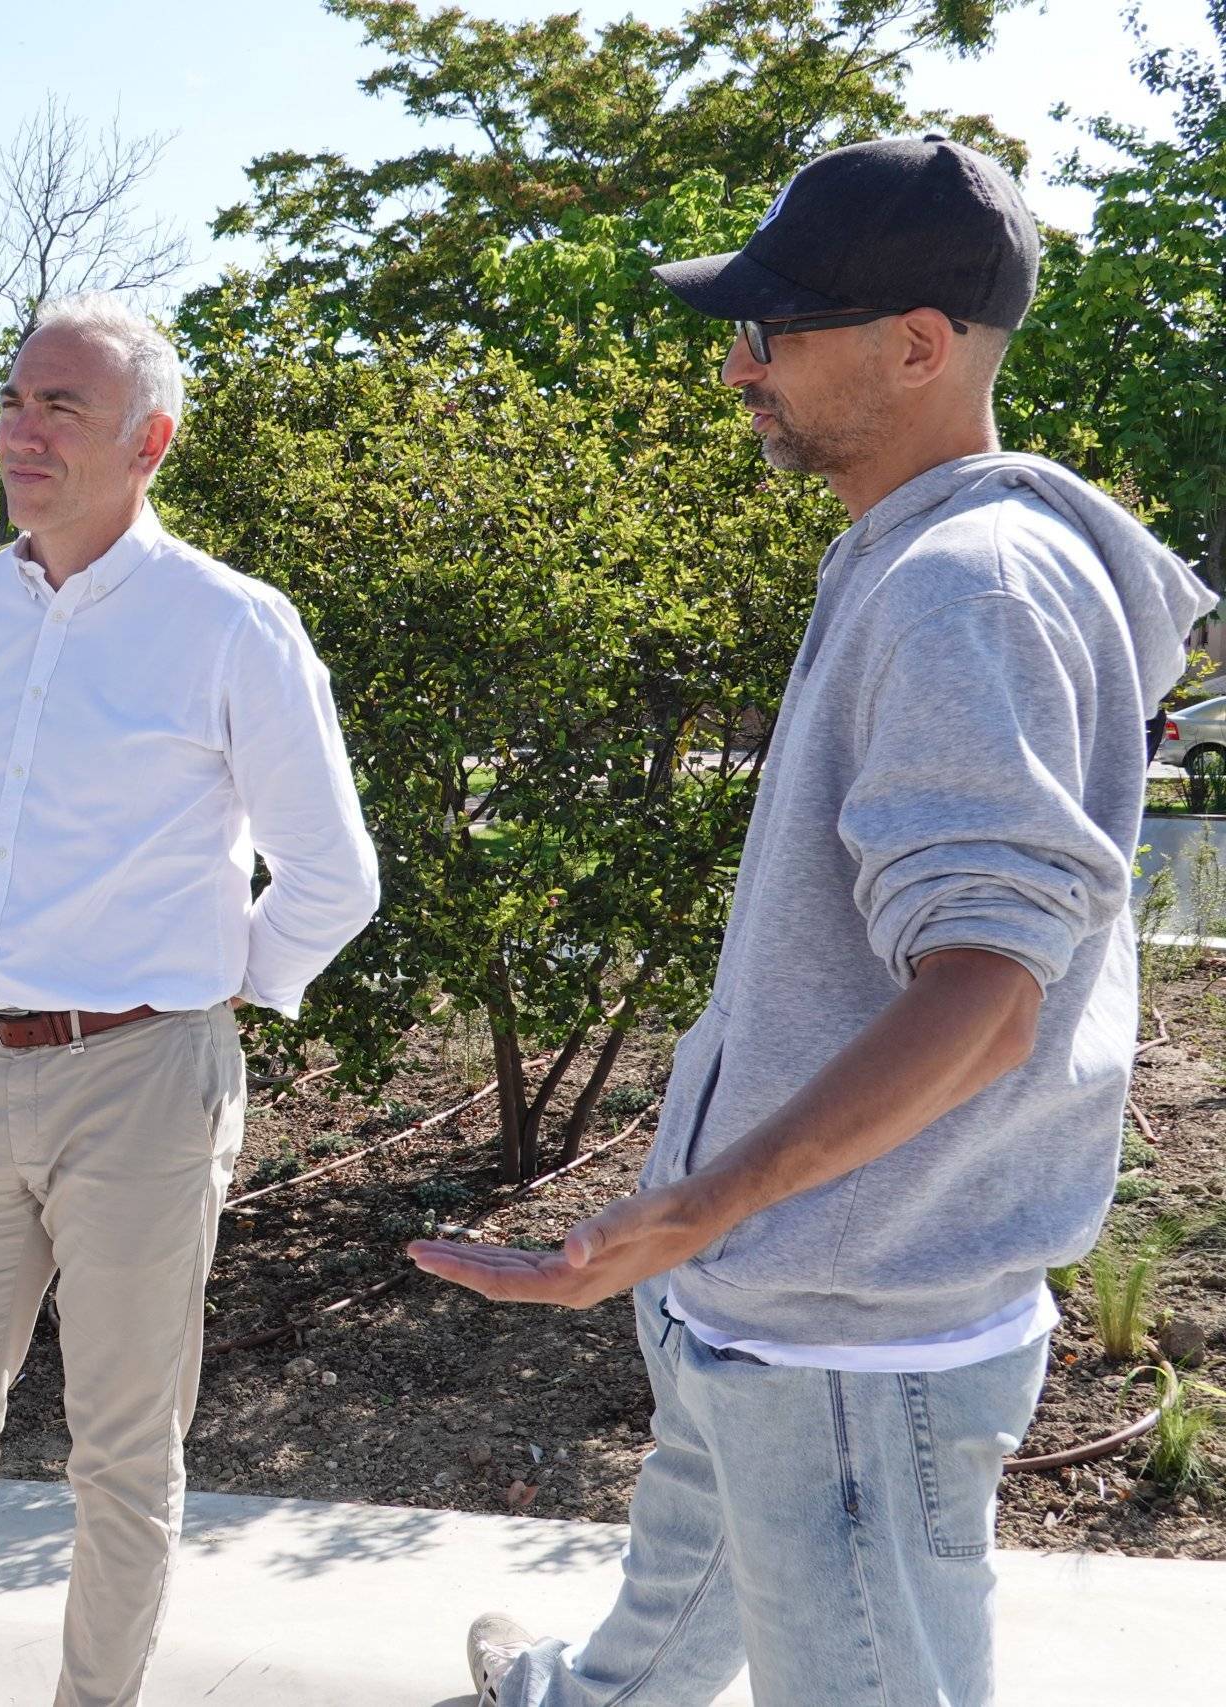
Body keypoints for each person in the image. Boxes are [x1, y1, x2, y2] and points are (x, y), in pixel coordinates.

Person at [414, 137, 1215, 1707]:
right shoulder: (927, 556)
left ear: (919, 345)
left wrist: (699, 1207)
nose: (736, 367)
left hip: (854, 1349)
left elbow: (988, 998)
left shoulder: (963, 587)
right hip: (788, 1304)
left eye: (770, 330)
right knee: (673, 1603)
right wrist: (708, 1234)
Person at [0, 293, 381, 1707]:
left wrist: (212, 998)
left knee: (121, 1452)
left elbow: (335, 873)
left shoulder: (229, 623)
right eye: (15, 400)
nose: (20, 430)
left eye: (62, 409)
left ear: (150, 440)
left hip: (145, 1083)